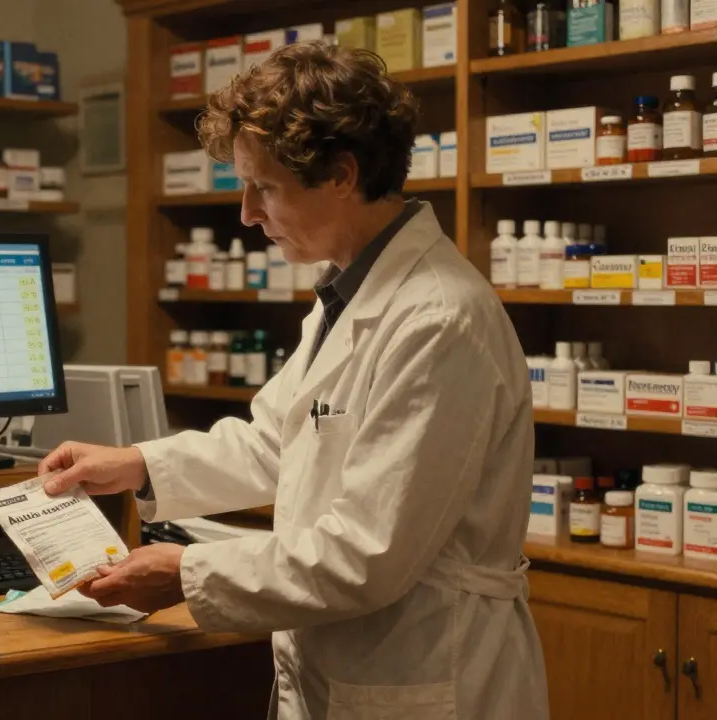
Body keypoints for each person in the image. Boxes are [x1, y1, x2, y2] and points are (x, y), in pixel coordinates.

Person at [41, 42, 548, 719]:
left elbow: (366, 554)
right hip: (352, 662)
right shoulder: (350, 290)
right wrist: (136, 464)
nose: (248, 214)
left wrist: (185, 573)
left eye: (265, 188)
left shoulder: (438, 318)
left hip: (426, 669)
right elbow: (279, 443)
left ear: (342, 174)